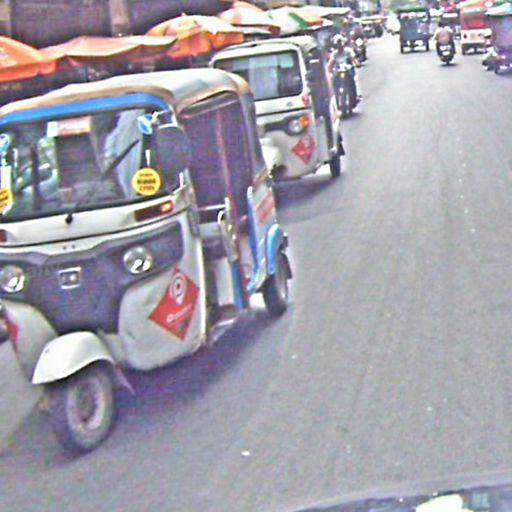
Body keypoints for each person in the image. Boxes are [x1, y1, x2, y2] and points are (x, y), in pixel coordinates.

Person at [327, 35, 360, 108]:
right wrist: (329, 70)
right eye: (337, 43)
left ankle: (355, 96)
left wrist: (356, 63)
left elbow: (353, 59)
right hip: (338, 72)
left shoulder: (348, 51)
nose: (339, 45)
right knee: (334, 83)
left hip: (348, 70)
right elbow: (330, 63)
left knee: (352, 81)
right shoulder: (334, 54)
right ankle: (337, 100)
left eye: (340, 43)